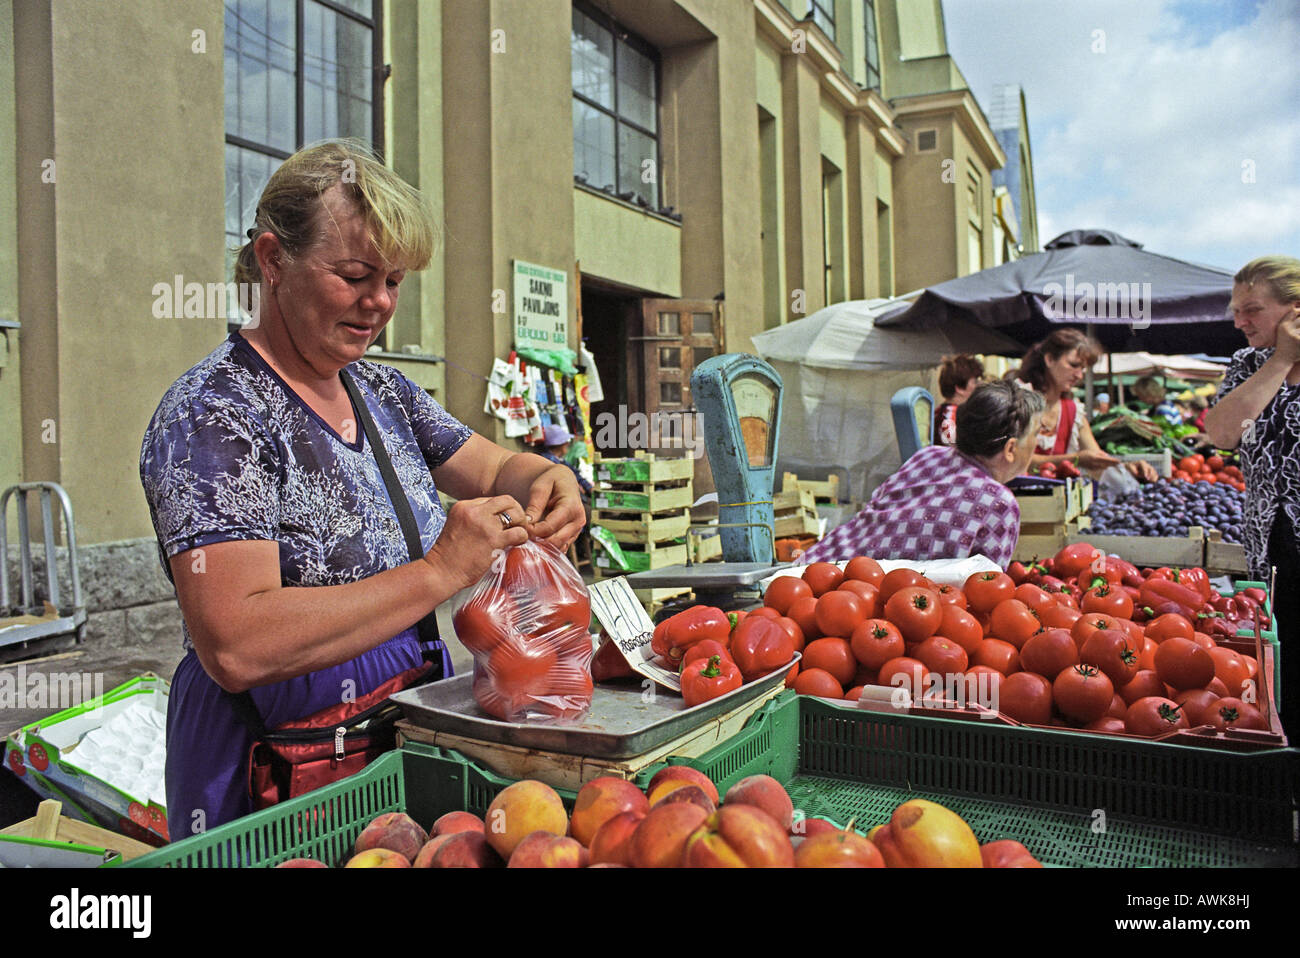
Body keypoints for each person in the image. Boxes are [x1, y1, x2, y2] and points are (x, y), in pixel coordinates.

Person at [139, 140, 586, 836]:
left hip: (389, 750)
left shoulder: (381, 391)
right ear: (271, 260)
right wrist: (440, 571)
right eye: (354, 275)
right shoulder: (214, 413)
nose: (379, 303)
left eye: (395, 281)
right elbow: (237, 643)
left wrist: (551, 480)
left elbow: (498, 468)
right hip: (279, 774)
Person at [1203, 255, 1300, 740]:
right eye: (1236, 310)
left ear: (1296, 310)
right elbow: (1221, 433)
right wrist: (1282, 360)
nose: (1239, 321)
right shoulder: (1249, 363)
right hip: (1272, 548)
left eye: (1253, 310)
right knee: (1284, 669)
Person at [797, 381, 1045, 568]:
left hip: (814, 569)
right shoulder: (1000, 503)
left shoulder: (929, 455)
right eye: (1036, 432)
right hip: (861, 604)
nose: (1038, 441)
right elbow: (986, 592)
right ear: (1010, 449)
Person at [1016, 328, 1158, 482]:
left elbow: (1097, 458)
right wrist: (1076, 459)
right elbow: (1015, 459)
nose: (1079, 375)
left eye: (1082, 369)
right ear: (1049, 359)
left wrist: (1128, 467)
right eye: (1073, 365)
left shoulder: (1073, 411)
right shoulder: (1018, 400)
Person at [933, 355, 984, 446]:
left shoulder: (941, 411)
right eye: (975, 382)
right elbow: (956, 452)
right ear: (959, 388)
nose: (979, 386)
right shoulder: (951, 416)